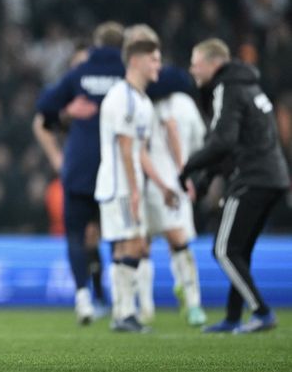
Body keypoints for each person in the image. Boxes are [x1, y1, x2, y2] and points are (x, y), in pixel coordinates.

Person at [180, 38, 290, 333]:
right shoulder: (250, 86)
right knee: (239, 250)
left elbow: (222, 142)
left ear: (214, 63)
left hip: (251, 178)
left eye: (196, 61)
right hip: (273, 177)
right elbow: (235, 145)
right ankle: (232, 317)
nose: (192, 68)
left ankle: (262, 312)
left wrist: (190, 166)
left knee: (224, 250)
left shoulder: (226, 88)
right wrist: (205, 181)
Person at [33, 22, 125, 324]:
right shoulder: (125, 74)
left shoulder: (77, 78)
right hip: (115, 167)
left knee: (79, 234)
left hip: (82, 166)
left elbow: (43, 111)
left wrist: (61, 117)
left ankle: (86, 296)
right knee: (114, 235)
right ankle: (123, 302)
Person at [95, 38, 177, 333]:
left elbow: (140, 152)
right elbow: (125, 145)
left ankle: (122, 311)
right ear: (135, 61)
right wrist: (132, 191)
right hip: (119, 185)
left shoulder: (142, 100)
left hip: (129, 185)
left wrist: (163, 185)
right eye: (153, 59)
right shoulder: (123, 97)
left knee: (130, 245)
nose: (158, 65)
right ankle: (125, 313)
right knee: (134, 244)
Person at [143, 65, 208, 327]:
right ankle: (191, 300)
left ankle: (144, 306)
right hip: (171, 180)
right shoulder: (185, 104)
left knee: (142, 246)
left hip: (152, 181)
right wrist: (187, 174)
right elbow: (198, 143)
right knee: (178, 242)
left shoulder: (144, 103)